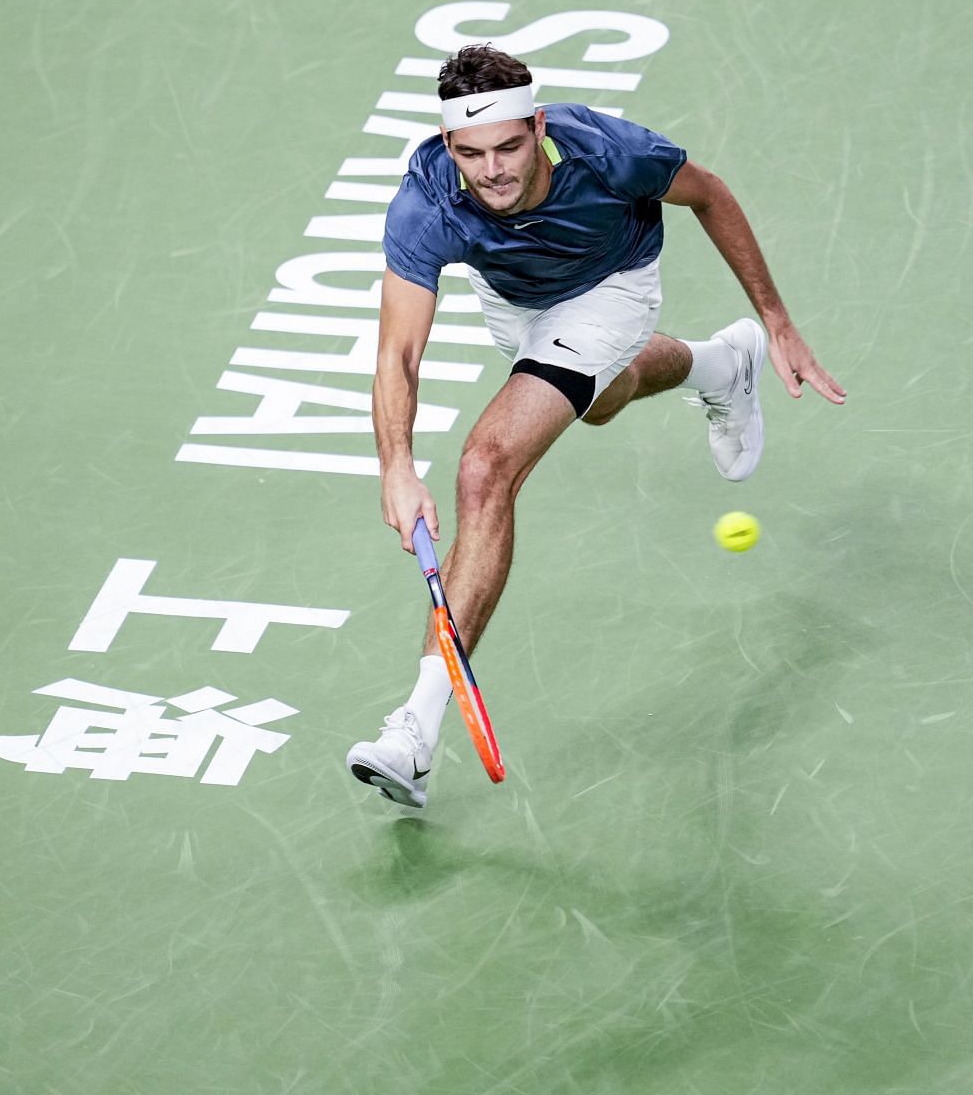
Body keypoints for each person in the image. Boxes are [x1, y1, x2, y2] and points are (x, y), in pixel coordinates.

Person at [346, 44, 844, 808]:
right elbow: (399, 349)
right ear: (449, 146)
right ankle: (721, 367)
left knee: (487, 465)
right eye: (472, 153)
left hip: (613, 287)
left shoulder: (608, 153)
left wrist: (775, 318)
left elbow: (708, 195)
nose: (494, 170)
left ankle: (415, 730)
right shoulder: (427, 200)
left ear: (537, 127)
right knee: (602, 401)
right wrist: (396, 465)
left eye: (510, 146)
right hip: (516, 303)